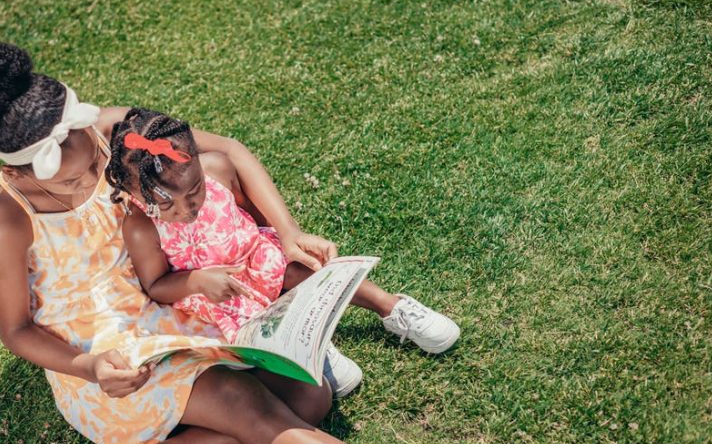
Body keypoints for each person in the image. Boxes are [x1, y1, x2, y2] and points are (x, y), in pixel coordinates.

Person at [0, 40, 537, 444]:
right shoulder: (8, 219)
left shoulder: (115, 132)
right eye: (67, 182)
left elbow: (226, 152)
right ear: (18, 167)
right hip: (103, 355)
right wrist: (89, 366)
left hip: (172, 307)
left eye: (91, 163)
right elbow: (17, 331)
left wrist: (285, 234)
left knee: (310, 397)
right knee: (247, 407)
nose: (87, 182)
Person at [102, 107, 461, 376]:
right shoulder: (140, 227)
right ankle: (312, 347)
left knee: (305, 270)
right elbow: (156, 286)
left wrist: (285, 237)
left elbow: (251, 217)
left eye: (195, 191)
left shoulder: (218, 169)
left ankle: (391, 307)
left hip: (256, 256)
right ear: (133, 192)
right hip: (221, 295)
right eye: (166, 204)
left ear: (199, 161)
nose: (188, 208)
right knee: (260, 333)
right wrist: (197, 281)